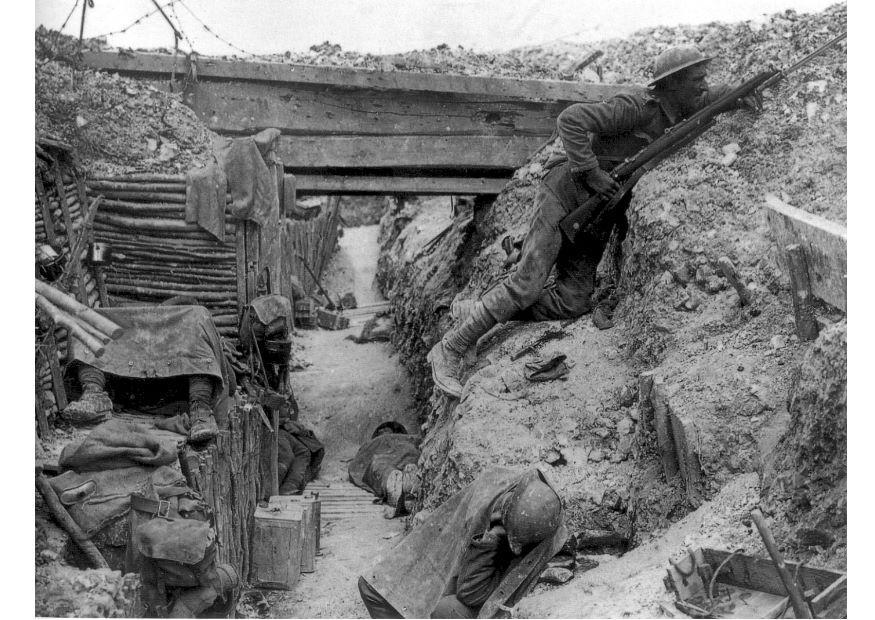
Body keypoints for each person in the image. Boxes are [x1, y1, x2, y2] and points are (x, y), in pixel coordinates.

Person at [428, 46, 761, 397]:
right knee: (527, 284)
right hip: (564, 197)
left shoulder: (680, 110)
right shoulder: (636, 108)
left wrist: (743, 92)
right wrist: (591, 172)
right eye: (696, 79)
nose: (702, 86)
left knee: (574, 301)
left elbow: (713, 97)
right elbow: (571, 120)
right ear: (673, 83)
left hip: (593, 220)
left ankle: (480, 311)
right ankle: (451, 348)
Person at [358, 468, 566, 618]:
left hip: (480, 582)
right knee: (374, 588)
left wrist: (495, 537)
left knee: (444, 609)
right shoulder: (491, 496)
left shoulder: (536, 525)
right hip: (460, 554)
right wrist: (492, 536)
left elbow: (470, 594)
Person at [348, 422, 420, 516]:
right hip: (407, 452)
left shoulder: (374, 443)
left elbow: (359, 464)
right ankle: (408, 481)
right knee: (409, 461)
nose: (385, 432)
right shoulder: (408, 439)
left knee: (379, 466)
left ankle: (391, 480)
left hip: (385, 456)